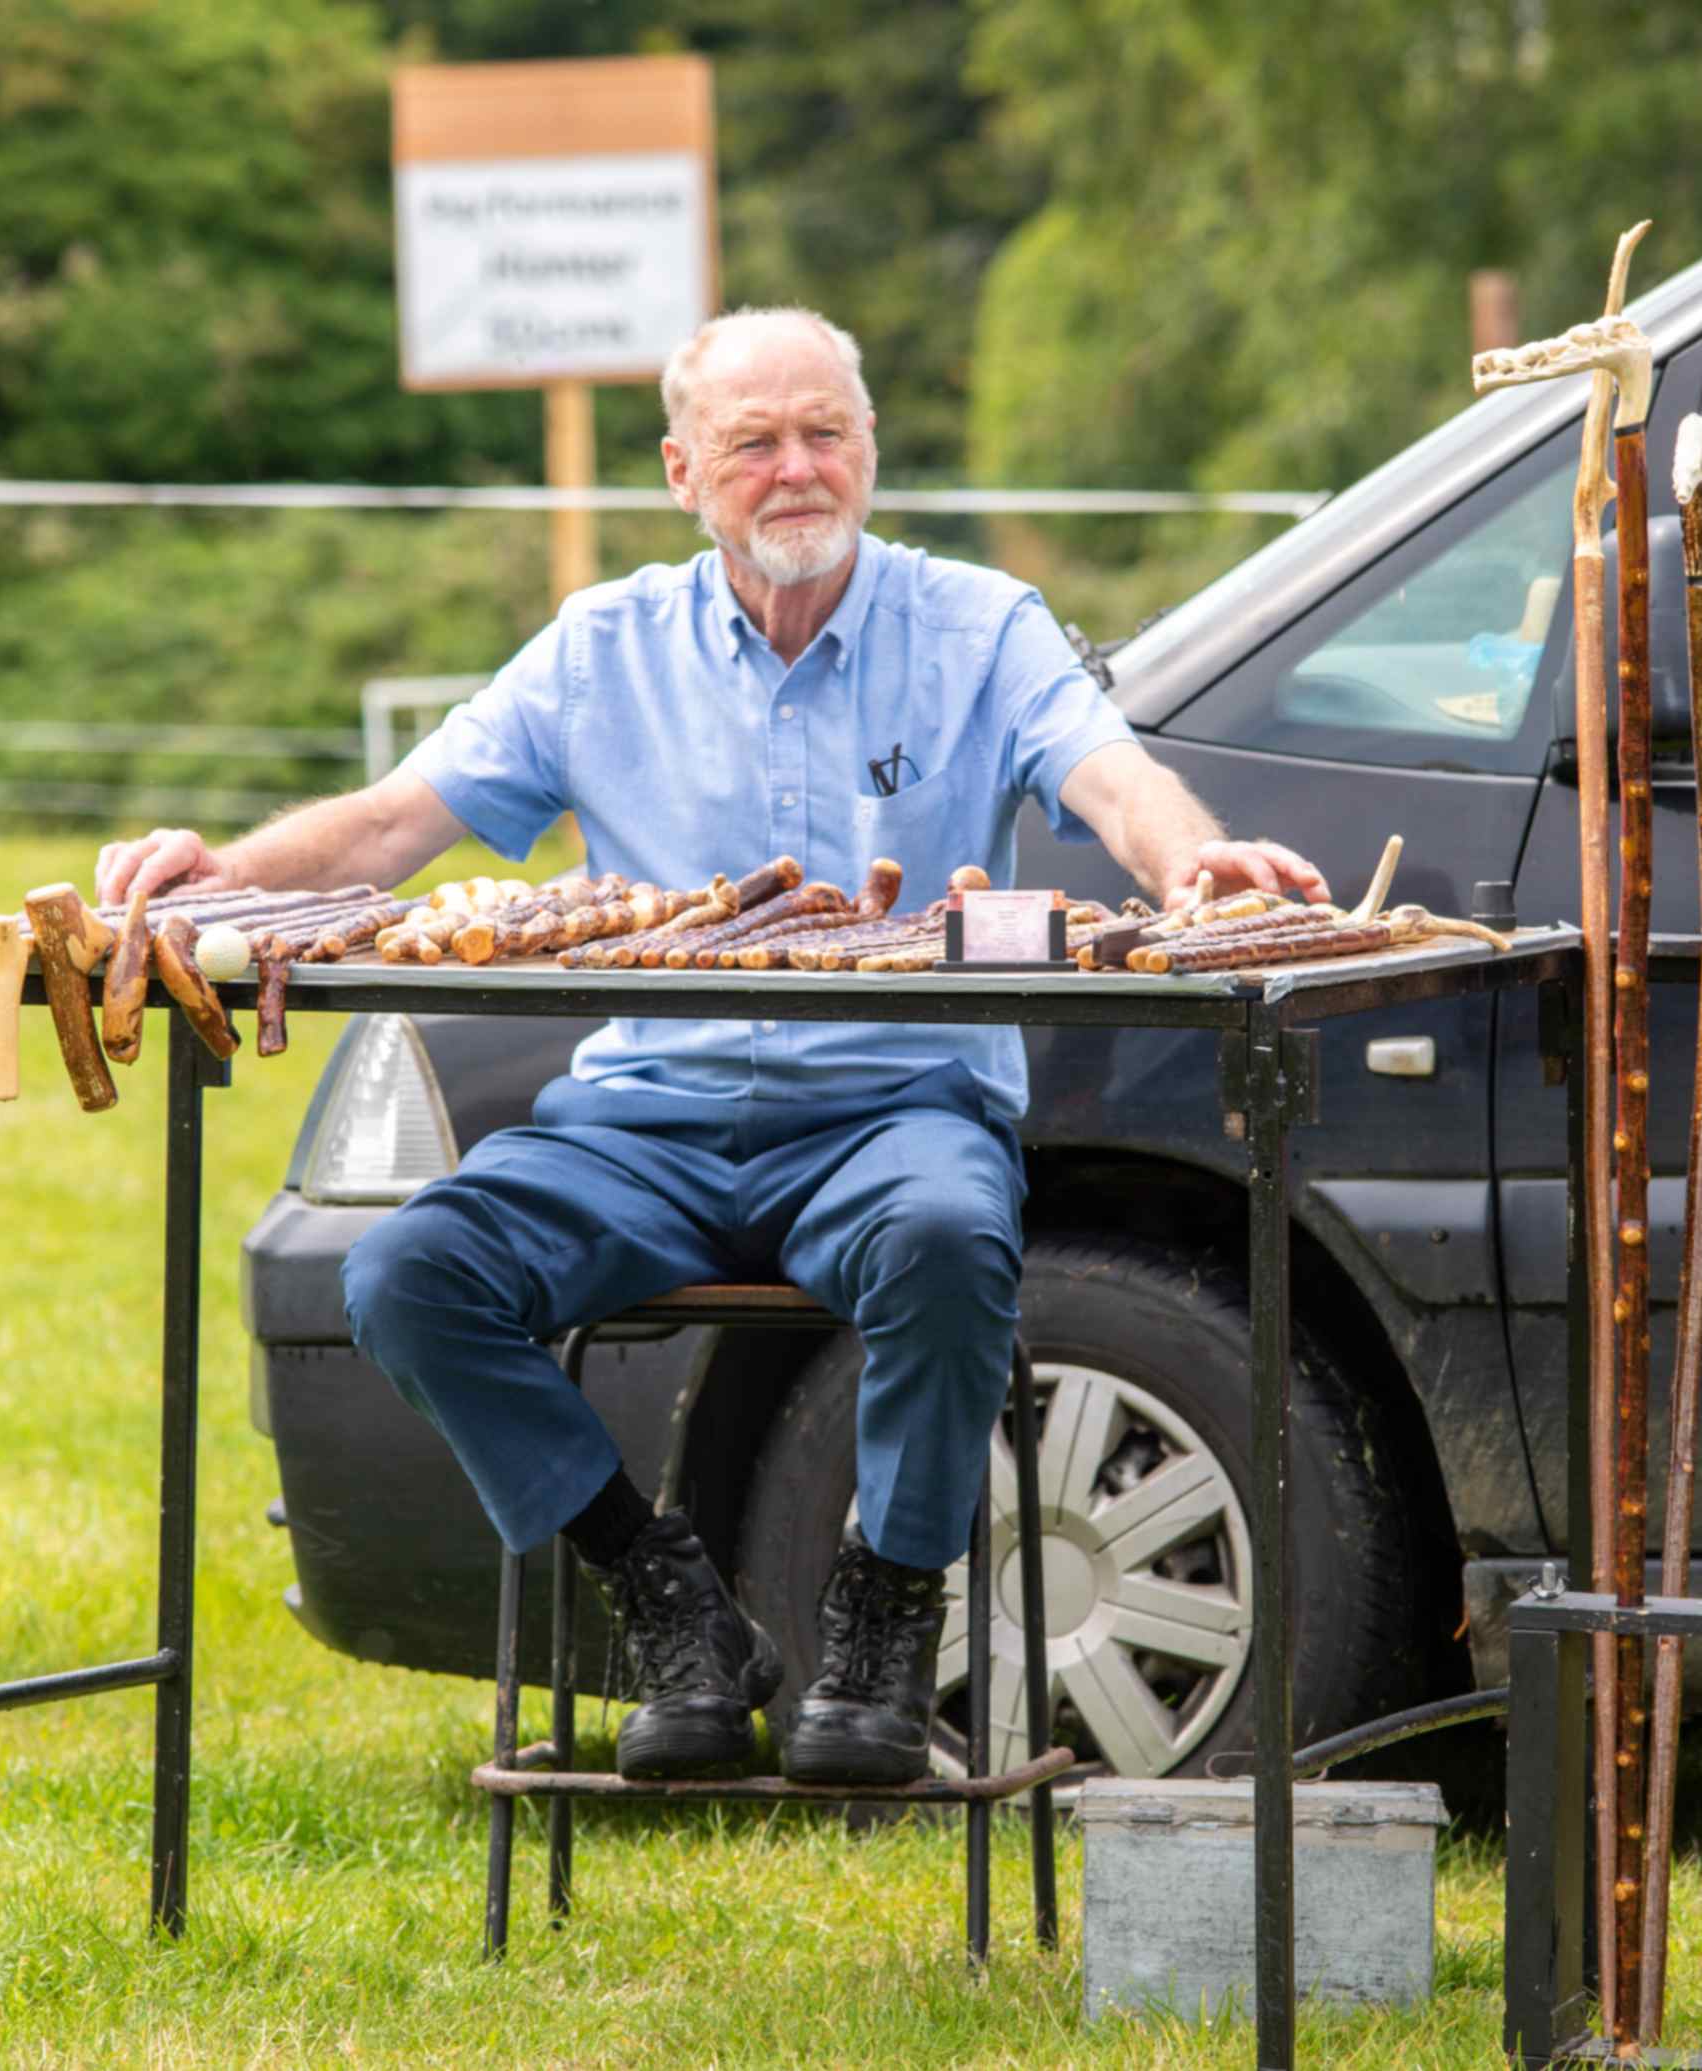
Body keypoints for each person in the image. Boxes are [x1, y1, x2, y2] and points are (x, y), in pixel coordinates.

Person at [97, 306, 1323, 1783]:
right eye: (754, 444)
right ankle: (665, 1601)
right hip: (644, 1128)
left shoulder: (979, 626)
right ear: (684, 473)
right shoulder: (601, 646)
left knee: (948, 1240)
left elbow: (1109, 775)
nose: (796, 469)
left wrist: (1193, 860)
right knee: (406, 1275)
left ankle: (882, 1624)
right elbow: (388, 826)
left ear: (870, 449)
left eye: (825, 434)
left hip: (893, 1118)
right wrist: (218, 877)